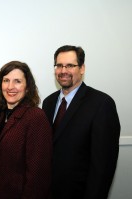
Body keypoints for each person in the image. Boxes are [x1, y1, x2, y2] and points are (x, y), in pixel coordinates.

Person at [42, 45, 121, 199]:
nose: (63, 70)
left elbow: (103, 165)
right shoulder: (48, 102)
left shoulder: (101, 103)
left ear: (82, 68)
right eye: (59, 65)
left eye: (70, 65)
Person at [0, 61, 53, 199]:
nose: (10, 87)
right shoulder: (3, 115)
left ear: (27, 87)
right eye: (6, 80)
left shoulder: (35, 117)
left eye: (17, 81)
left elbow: (38, 176)